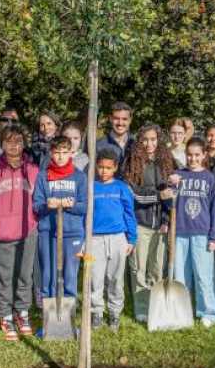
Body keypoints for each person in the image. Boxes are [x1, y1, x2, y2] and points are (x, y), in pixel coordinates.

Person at [0, 125, 39, 341]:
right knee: (2, 277)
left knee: (24, 275)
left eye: (18, 141)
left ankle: (22, 312)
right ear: (1, 144)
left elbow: (39, 200)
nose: (14, 146)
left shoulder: (32, 170)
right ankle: (4, 314)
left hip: (27, 232)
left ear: (24, 144)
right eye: (9, 141)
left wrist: (32, 222)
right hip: (1, 234)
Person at [123, 124, 176, 321]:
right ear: (139, 141)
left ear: (159, 140)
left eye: (153, 139)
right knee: (138, 269)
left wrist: (166, 219)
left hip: (161, 226)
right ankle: (142, 310)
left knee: (157, 268)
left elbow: (172, 194)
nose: (149, 144)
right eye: (145, 140)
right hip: (140, 224)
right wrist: (158, 195)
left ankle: (156, 307)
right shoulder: (132, 163)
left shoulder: (168, 161)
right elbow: (133, 194)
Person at [33, 135, 87, 328]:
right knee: (49, 274)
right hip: (48, 232)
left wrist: (70, 205)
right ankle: (49, 322)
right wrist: (48, 205)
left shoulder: (80, 177)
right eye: (57, 152)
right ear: (51, 153)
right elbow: (36, 206)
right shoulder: (43, 176)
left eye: (65, 152)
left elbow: (84, 206)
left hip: (72, 233)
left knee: (70, 275)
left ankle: (68, 321)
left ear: (72, 153)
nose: (61, 156)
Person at [169, 137, 215, 327]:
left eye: (197, 155)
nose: (192, 159)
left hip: (202, 233)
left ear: (204, 155)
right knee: (181, 276)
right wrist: (171, 184)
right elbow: (169, 202)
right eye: (189, 155)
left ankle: (209, 313)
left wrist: (214, 235)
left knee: (204, 275)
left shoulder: (209, 178)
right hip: (180, 232)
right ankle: (182, 312)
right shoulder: (177, 175)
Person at [90, 148, 137, 332]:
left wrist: (131, 239)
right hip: (95, 238)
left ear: (115, 168)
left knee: (116, 278)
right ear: (96, 166)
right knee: (95, 278)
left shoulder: (121, 188)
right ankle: (96, 313)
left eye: (108, 168)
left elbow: (129, 214)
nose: (104, 171)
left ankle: (115, 313)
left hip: (118, 238)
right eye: (101, 167)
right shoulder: (91, 187)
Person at [96, 101, 135, 172]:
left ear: (130, 120)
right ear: (110, 119)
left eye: (124, 119)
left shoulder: (136, 144)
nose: (120, 123)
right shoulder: (99, 146)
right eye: (116, 118)